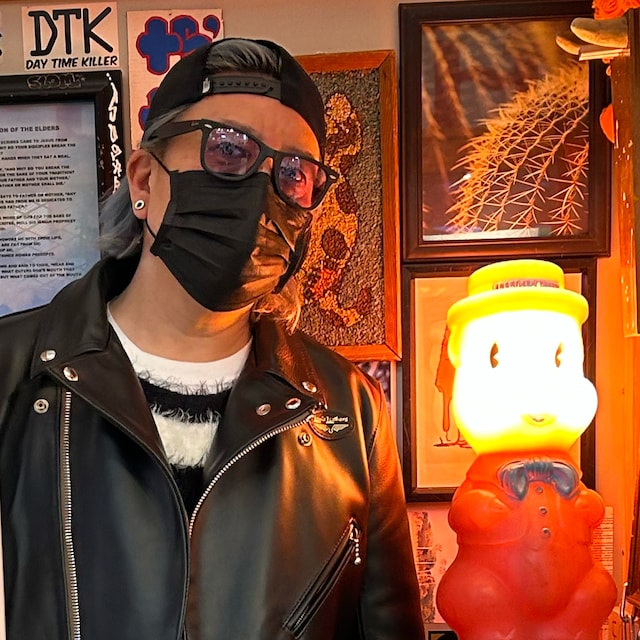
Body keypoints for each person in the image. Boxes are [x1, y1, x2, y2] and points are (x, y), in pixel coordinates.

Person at [0, 37, 425, 640]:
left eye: (294, 174)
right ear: (144, 177)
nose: (261, 191)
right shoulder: (13, 373)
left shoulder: (352, 414)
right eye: (228, 149)